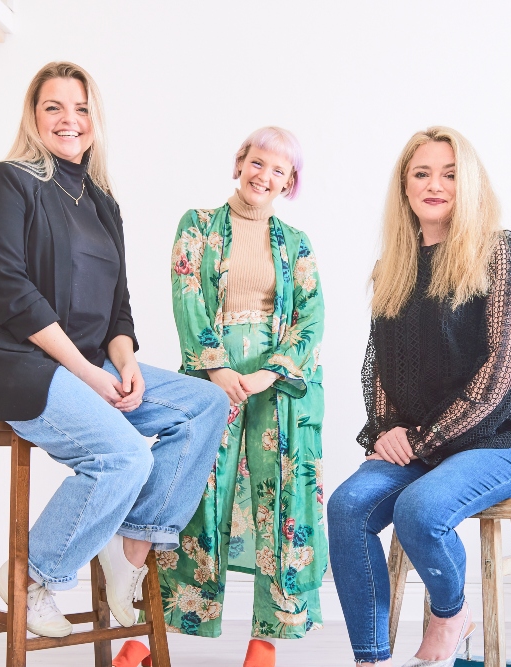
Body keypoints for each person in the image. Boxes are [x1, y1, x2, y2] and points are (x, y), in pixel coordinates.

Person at [0, 62, 229, 645]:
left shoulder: (101, 201)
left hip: (88, 362)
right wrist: (84, 373)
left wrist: (124, 360)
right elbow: (9, 290)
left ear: (95, 120)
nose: (68, 120)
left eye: (80, 108)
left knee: (205, 403)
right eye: (54, 107)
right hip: (13, 363)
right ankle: (32, 576)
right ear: (33, 116)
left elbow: (118, 305)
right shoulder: (7, 182)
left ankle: (130, 542)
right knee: (126, 457)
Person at [327, 127, 511, 667]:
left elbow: (502, 372)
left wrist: (422, 438)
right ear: (404, 186)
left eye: (449, 174)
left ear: (468, 184)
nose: (435, 184)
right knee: (346, 507)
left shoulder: (496, 254)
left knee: (419, 509)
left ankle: (451, 614)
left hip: (501, 442)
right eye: (421, 173)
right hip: (421, 443)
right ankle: (371, 658)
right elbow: (381, 365)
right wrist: (384, 429)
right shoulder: (393, 267)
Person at [157, 127, 327, 667]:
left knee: (279, 502)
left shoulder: (296, 243)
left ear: (290, 182)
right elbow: (186, 294)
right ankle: (149, 632)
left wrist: (270, 373)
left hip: (275, 390)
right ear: (240, 163)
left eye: (280, 170)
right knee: (193, 496)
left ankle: (265, 641)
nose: (265, 176)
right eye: (258, 163)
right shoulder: (198, 226)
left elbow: (311, 317)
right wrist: (217, 368)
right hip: (211, 384)